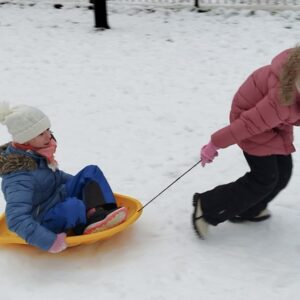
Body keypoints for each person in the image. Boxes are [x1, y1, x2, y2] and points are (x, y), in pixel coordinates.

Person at [192, 46, 300, 239]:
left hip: (275, 126)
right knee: (264, 179)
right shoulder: (281, 101)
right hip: (251, 126)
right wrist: (214, 144)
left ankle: (249, 209)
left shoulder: (292, 91)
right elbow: (247, 126)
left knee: (283, 173)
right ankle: (207, 206)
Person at [0, 103, 128, 253]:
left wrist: (84, 187)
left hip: (57, 199)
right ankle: (85, 224)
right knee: (74, 206)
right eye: (41, 134)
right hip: (43, 220)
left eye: (48, 130)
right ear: (25, 140)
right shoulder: (19, 177)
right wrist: (50, 242)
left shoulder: (36, 153)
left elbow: (57, 177)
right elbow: (16, 220)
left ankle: (104, 211)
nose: (49, 136)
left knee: (91, 173)